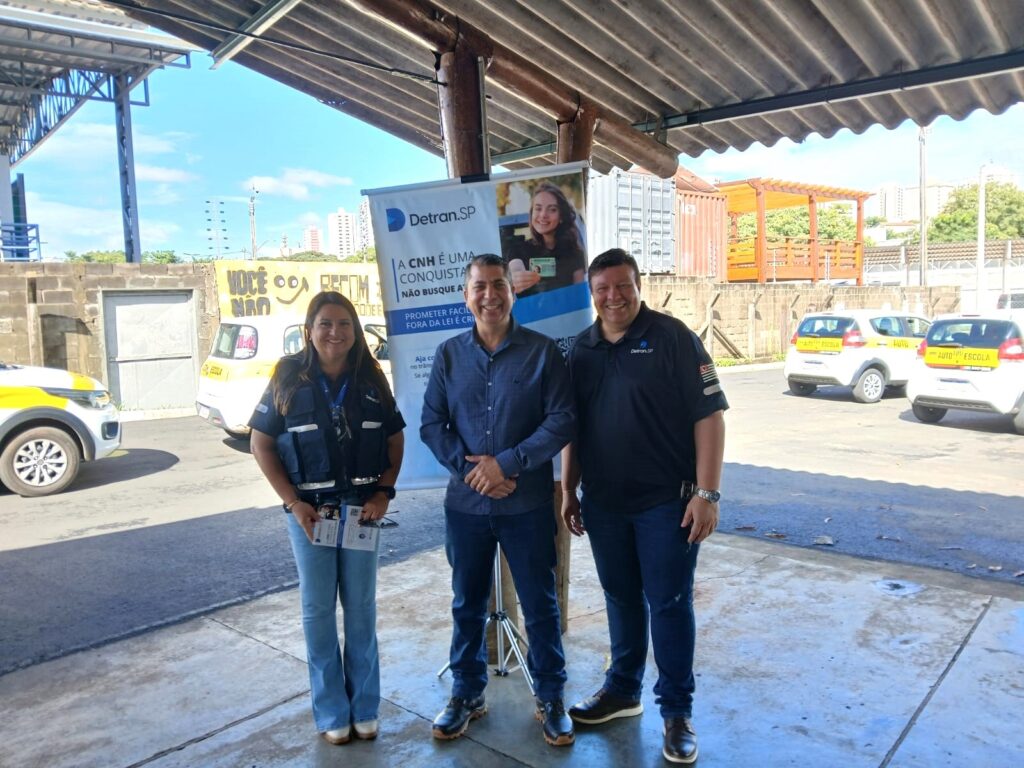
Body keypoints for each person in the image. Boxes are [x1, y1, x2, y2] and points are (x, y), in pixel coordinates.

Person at [560, 249, 727, 765]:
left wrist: (707, 493)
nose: (613, 297)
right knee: (620, 598)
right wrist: (569, 489)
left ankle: (676, 713)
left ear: (638, 285)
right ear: (592, 293)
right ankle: (623, 692)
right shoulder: (580, 350)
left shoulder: (673, 337)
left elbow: (711, 416)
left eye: (622, 286)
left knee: (670, 603)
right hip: (606, 505)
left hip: (666, 505)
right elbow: (572, 428)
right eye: (602, 289)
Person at [420, 253, 576, 747]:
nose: (489, 295)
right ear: (466, 296)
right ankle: (468, 694)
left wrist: (505, 465)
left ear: (514, 292)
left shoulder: (543, 353)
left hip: (526, 504)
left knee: (540, 603)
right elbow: (431, 424)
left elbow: (562, 420)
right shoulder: (448, 355)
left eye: (498, 286)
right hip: (466, 507)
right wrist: (475, 474)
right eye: (479, 286)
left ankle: (551, 698)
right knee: (467, 603)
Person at [249, 291, 405, 746]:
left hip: (360, 512)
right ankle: (332, 710)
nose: (335, 332)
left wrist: (383, 494)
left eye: (344, 324)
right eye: (325, 324)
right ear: (309, 330)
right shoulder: (287, 377)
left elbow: (395, 444)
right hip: (310, 516)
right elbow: (261, 444)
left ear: (355, 331)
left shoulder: (372, 380)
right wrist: (292, 503)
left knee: (361, 610)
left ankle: (365, 707)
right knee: (318, 612)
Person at [506, 182, 587, 297]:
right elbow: (515, 269)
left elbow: (579, 296)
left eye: (552, 209)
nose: (543, 215)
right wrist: (515, 279)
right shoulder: (518, 250)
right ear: (532, 213)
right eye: (538, 209)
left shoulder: (574, 253)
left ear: (561, 217)